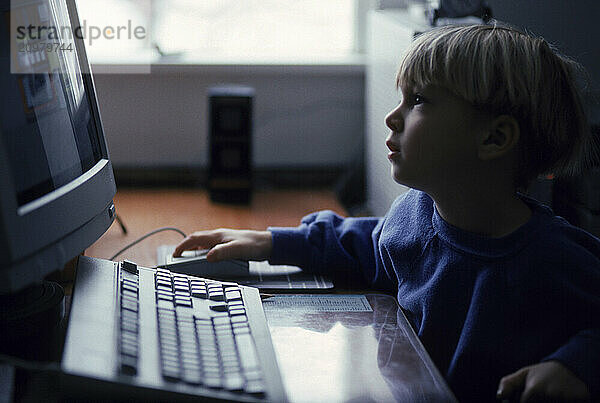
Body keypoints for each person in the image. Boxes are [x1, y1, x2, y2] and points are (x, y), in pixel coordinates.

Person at [174, 24, 599, 402]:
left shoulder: (554, 257)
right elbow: (368, 242)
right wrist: (272, 242)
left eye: (418, 100)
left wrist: (573, 366)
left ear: (494, 137)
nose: (392, 117)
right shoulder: (414, 216)